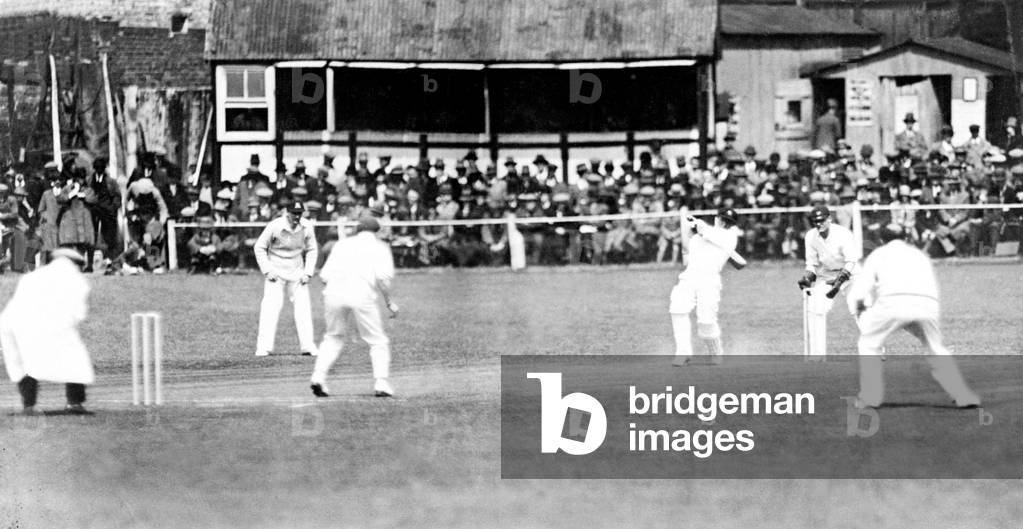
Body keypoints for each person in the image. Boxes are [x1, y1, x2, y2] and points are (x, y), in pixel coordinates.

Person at [847, 224, 981, 409]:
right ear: (906, 237)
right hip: (927, 305)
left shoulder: (878, 254)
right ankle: (963, 396)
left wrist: (861, 309)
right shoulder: (920, 255)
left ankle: (870, 397)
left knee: (868, 344)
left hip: (892, 303)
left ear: (881, 240)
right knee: (936, 348)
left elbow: (860, 290)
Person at [310, 217, 397, 397]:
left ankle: (318, 378)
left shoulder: (342, 245)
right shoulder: (380, 247)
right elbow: (383, 280)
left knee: (333, 337)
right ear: (377, 231)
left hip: (333, 293)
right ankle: (381, 383)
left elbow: (323, 276)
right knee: (377, 340)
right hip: (361, 294)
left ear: (358, 230)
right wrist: (389, 302)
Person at [0, 248, 95, 415]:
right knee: (74, 357)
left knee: (26, 363)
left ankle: (28, 406)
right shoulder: (78, 281)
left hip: (13, 324)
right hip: (43, 323)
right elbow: (78, 314)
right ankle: (74, 403)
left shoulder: (32, 276)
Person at [670, 207, 747, 366]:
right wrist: (692, 229)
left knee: (706, 321)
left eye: (728, 222)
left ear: (731, 225)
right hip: (690, 276)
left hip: (709, 280)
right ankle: (683, 353)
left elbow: (709, 233)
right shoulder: (701, 234)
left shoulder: (730, 236)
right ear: (717, 218)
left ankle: (716, 353)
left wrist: (697, 224)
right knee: (677, 309)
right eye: (723, 219)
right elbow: (689, 250)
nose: (724, 224)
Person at [253, 201, 318, 357]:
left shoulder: (307, 226)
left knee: (303, 308)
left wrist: (308, 272)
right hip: (276, 270)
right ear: (287, 212)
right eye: (294, 213)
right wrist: (268, 270)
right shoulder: (275, 225)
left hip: (297, 271)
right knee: (271, 307)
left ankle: (308, 346)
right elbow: (259, 246)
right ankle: (263, 347)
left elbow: (312, 249)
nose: (297, 216)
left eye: (299, 213)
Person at [797, 205, 860, 359]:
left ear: (829, 219)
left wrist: (840, 281)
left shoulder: (843, 234)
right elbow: (811, 263)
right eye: (815, 221)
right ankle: (817, 356)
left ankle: (875, 350)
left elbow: (852, 260)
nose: (819, 224)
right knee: (815, 309)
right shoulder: (811, 236)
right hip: (827, 276)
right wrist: (808, 277)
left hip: (852, 275)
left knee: (859, 310)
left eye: (821, 220)